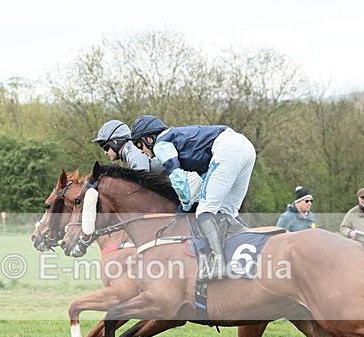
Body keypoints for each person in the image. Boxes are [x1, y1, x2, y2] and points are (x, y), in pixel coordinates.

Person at [128, 115, 256, 280]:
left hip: (228, 149)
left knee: (204, 212)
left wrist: (186, 201)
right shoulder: (183, 142)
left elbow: (177, 177)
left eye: (139, 144)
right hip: (245, 147)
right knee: (227, 211)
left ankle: (218, 264)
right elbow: (206, 178)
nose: (140, 151)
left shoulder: (161, 144)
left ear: (149, 138)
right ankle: (252, 247)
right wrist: (189, 201)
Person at [91, 119, 163, 172]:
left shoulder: (134, 151)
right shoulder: (131, 151)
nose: (105, 153)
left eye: (105, 148)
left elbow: (142, 185)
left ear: (114, 142)